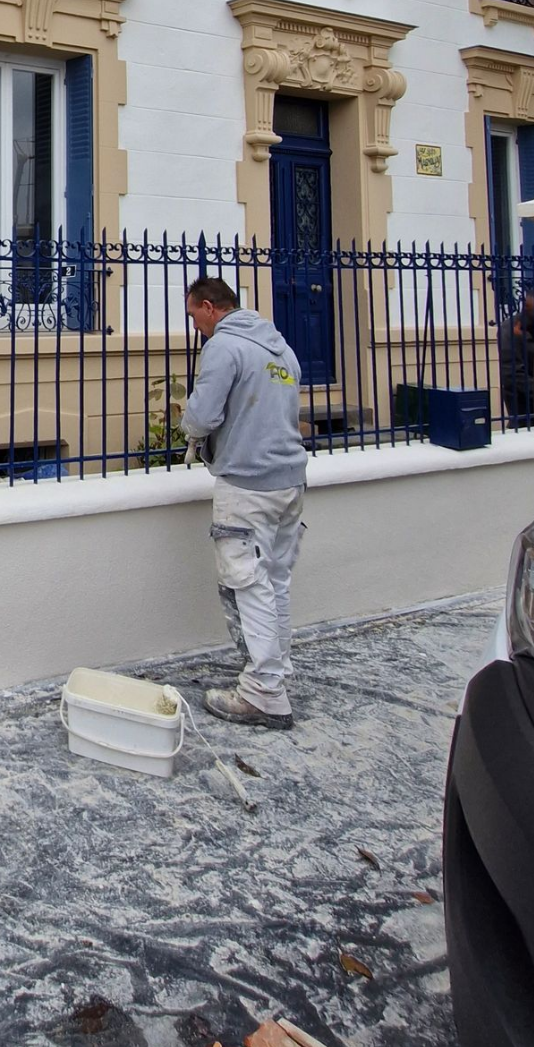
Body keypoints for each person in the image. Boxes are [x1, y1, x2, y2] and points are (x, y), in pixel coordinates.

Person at [181, 276, 308, 730]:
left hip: (247, 485)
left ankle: (264, 694)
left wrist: (190, 431)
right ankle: (274, 673)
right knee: (274, 581)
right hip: (290, 481)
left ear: (211, 307)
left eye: (194, 314)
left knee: (246, 584)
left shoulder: (223, 347)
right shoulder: (280, 348)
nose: (195, 325)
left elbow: (203, 414)